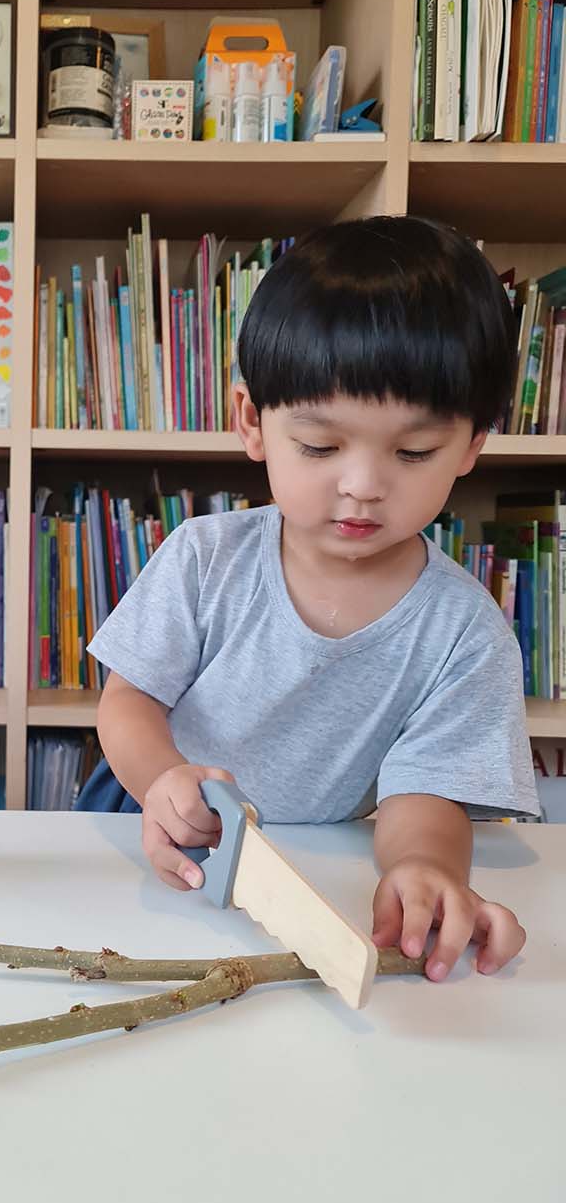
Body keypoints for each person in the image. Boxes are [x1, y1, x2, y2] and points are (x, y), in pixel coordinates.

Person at [78, 214, 539, 983]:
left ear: (470, 447)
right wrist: (163, 781)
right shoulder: (205, 557)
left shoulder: (465, 630)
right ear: (252, 422)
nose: (362, 485)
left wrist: (425, 869)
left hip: (313, 867)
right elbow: (128, 701)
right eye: (321, 446)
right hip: (159, 822)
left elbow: (427, 792)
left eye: (413, 451)